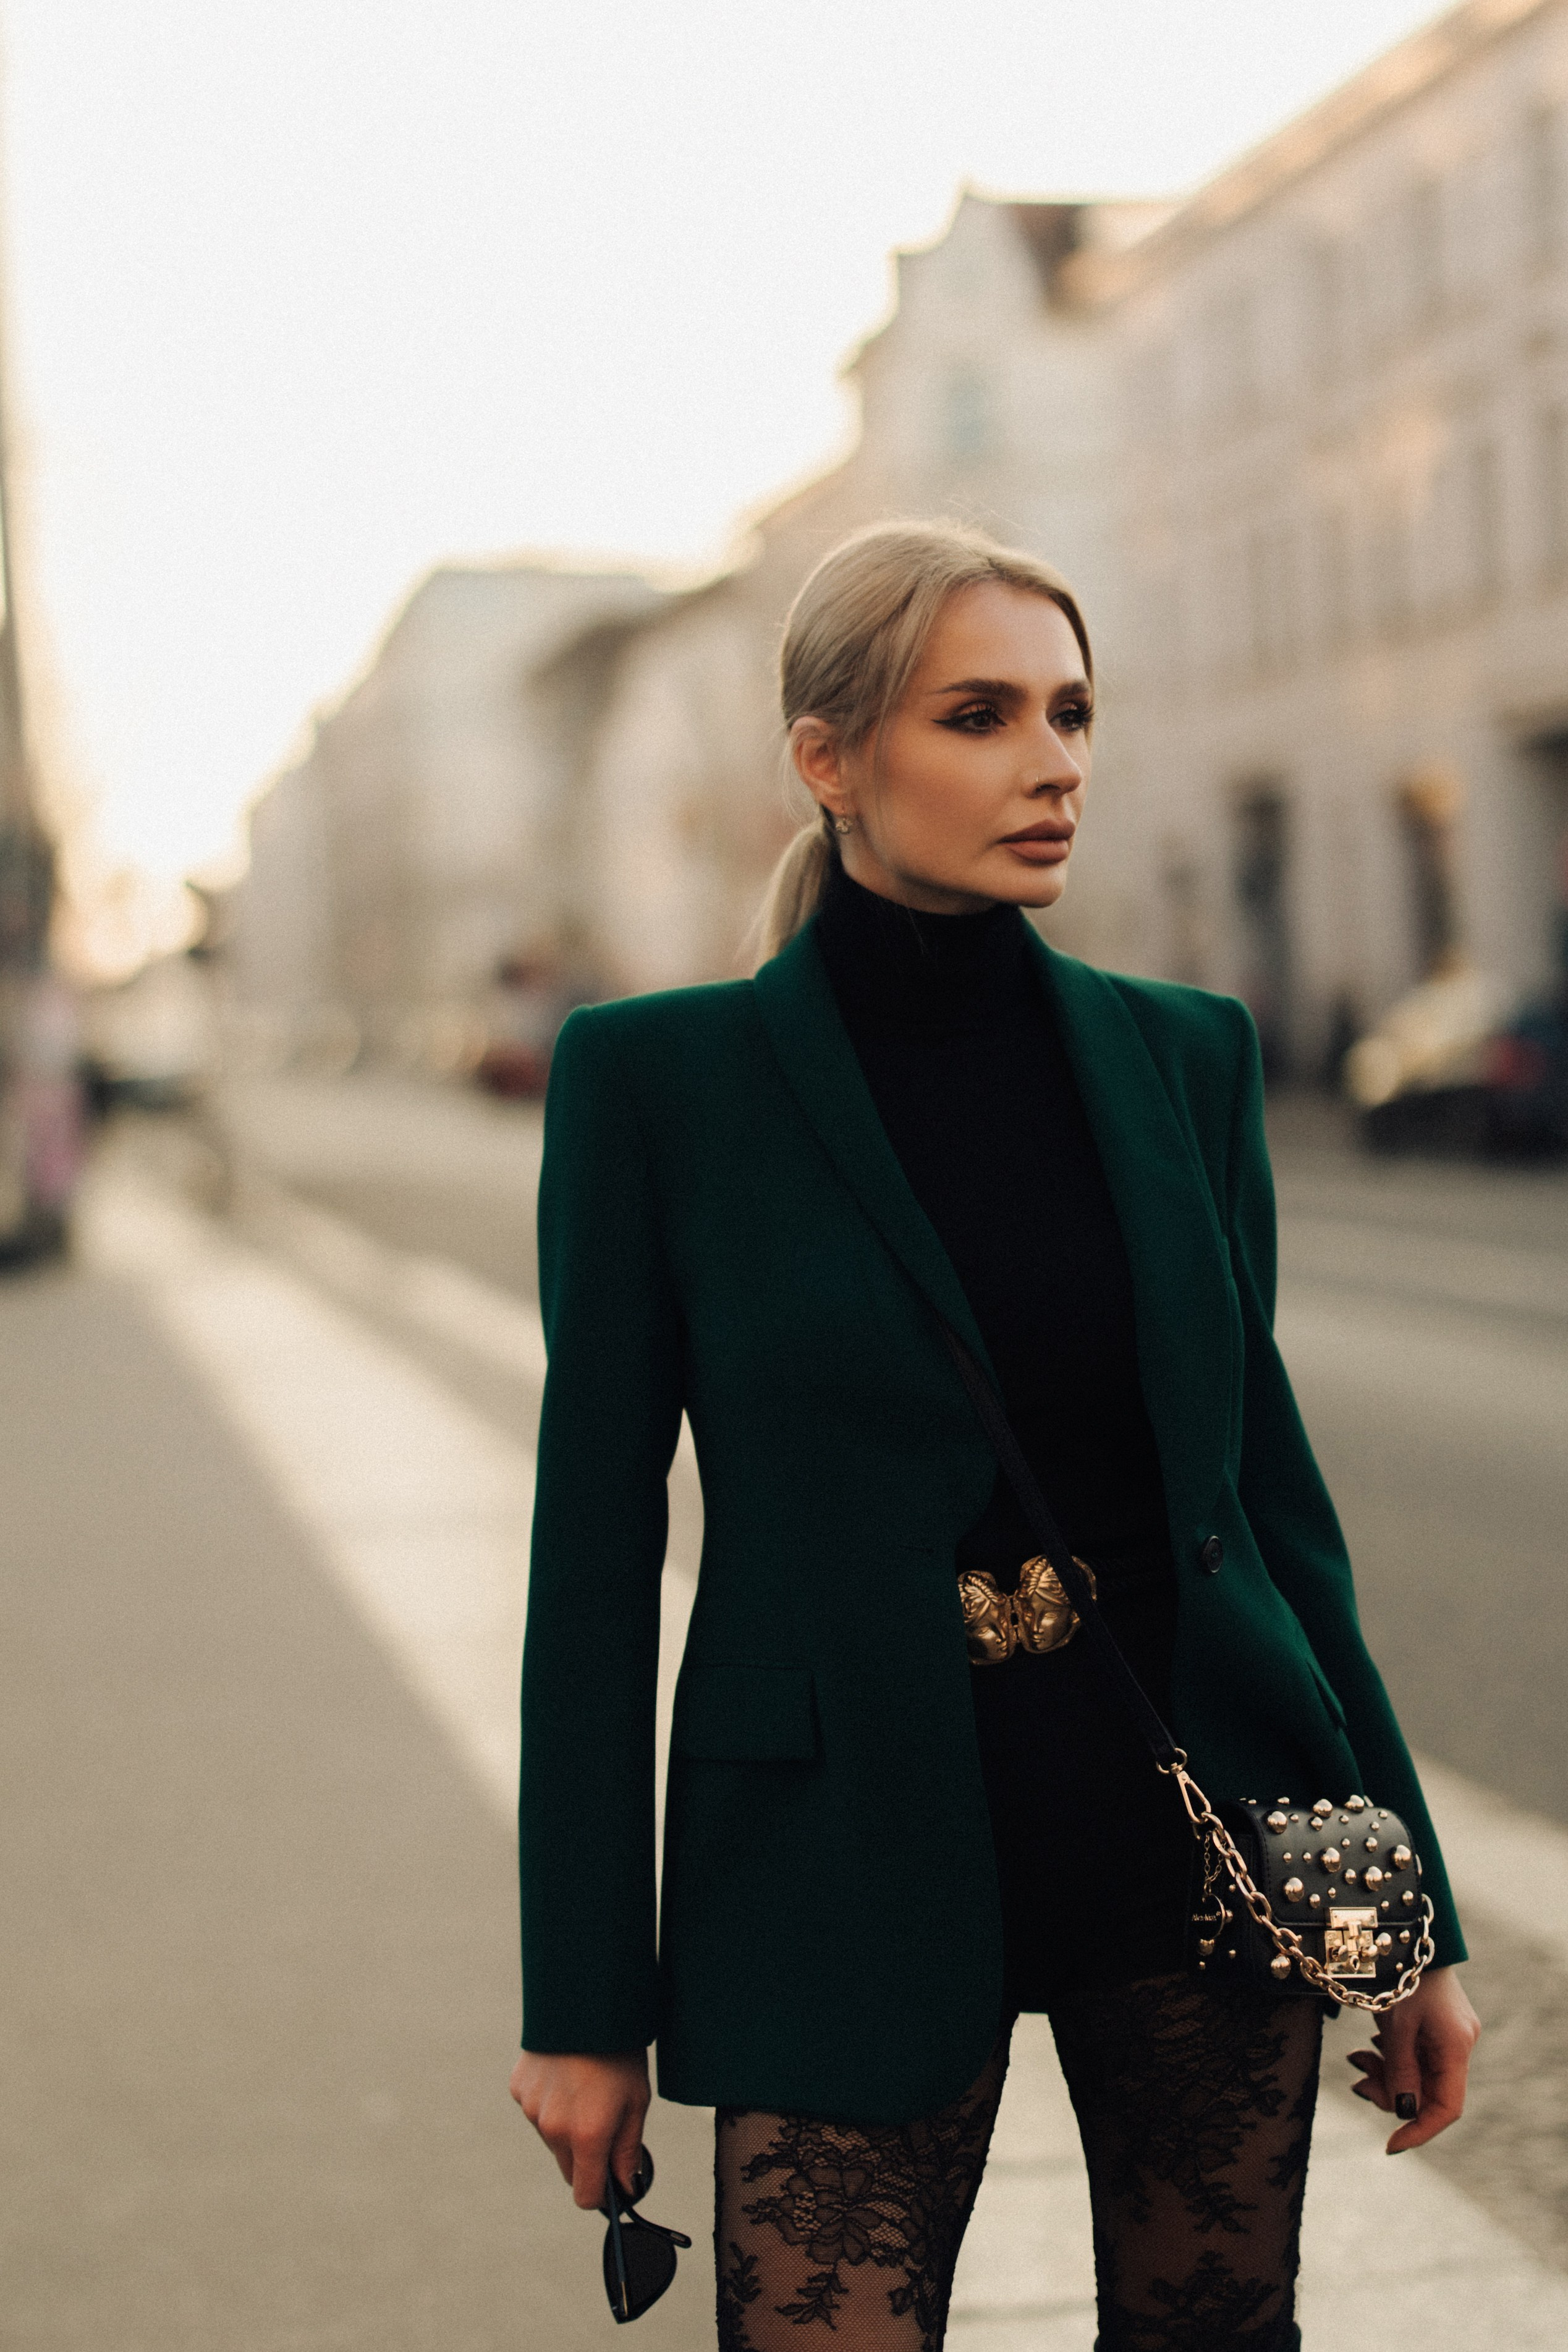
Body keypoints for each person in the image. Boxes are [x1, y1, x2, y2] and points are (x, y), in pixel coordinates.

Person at [511, 520, 1480, 2351]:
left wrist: (1403, 1908)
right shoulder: (659, 1087)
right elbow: (587, 1570)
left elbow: (1266, 1505)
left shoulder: (1184, 1057)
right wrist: (584, 2001)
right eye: (978, 715)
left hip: (1183, 1829)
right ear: (828, 759)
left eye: (1070, 712)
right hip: (834, 1852)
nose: (1051, 763)